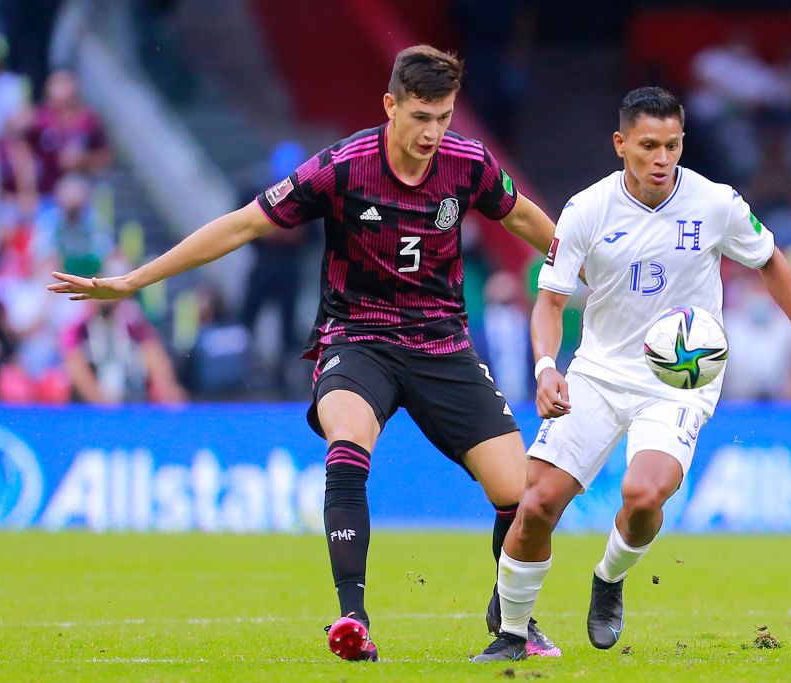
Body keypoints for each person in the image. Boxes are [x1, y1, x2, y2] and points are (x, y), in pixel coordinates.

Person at [48, 45, 560, 662]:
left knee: (520, 494)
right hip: (357, 338)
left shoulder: (468, 164)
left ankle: (511, 618)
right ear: (390, 106)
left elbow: (532, 224)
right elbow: (241, 225)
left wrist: (593, 270)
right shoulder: (343, 167)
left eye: (443, 117)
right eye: (421, 116)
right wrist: (134, 280)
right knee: (348, 440)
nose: (432, 133)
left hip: (441, 342)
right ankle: (354, 620)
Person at [473, 86, 791, 662]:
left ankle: (609, 578)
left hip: (679, 378)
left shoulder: (715, 202)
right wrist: (547, 368)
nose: (661, 158)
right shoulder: (586, 209)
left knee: (644, 494)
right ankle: (513, 635)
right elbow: (549, 301)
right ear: (621, 144)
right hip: (597, 371)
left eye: (672, 145)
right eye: (648, 145)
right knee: (538, 503)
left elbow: (768, 257)